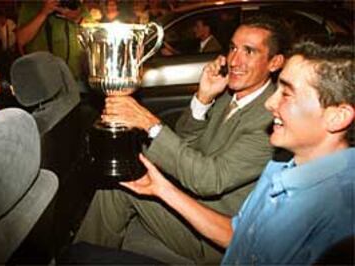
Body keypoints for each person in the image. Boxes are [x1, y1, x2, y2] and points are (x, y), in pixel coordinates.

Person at [74, 15, 290, 263]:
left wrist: (149, 123)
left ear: (274, 62)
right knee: (121, 176)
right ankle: (84, 254)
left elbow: (208, 180)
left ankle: (79, 257)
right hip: (191, 200)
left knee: (119, 185)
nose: (234, 60)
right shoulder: (231, 95)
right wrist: (203, 97)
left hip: (209, 236)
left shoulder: (272, 119)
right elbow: (187, 143)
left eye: (249, 51)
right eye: (232, 48)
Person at [120, 40, 355, 264]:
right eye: (233, 48)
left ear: (338, 117)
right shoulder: (280, 165)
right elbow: (240, 235)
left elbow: (209, 180)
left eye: (286, 94)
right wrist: (162, 189)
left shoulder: (342, 217)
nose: (269, 103)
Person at [16, 0, 92, 81]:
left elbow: (96, 29)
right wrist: (43, 13)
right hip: (43, 79)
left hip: (75, 78)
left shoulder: (76, 5)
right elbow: (21, 39)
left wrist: (78, 18)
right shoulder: (31, 5)